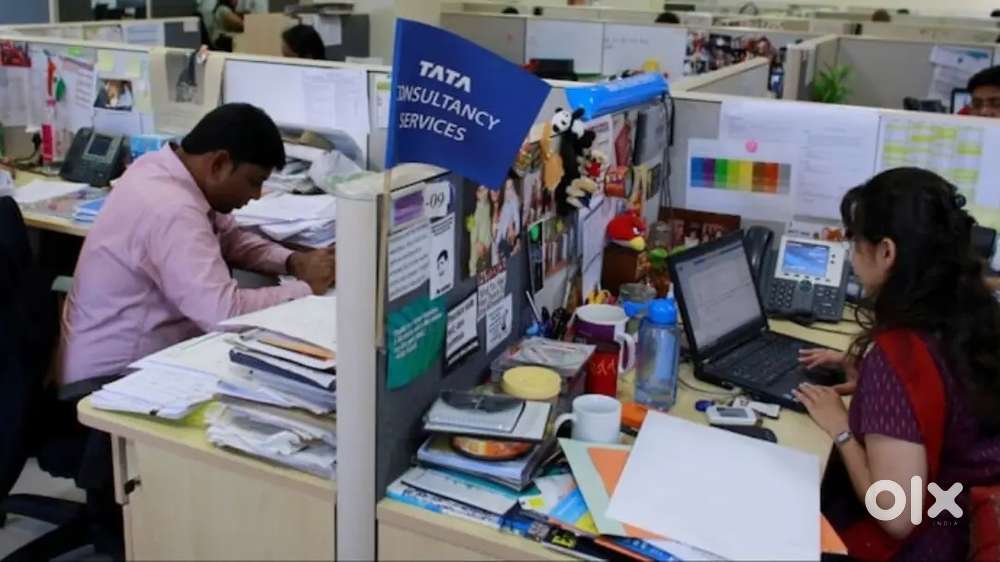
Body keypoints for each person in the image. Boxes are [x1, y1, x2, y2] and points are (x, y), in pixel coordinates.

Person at [58, 103, 335, 394]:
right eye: (253, 182)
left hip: (138, 358)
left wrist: (293, 261)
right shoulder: (172, 208)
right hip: (111, 381)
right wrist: (306, 288)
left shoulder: (160, 168)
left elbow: (230, 239)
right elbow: (223, 312)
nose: (255, 195)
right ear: (219, 164)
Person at [795, 168, 1000, 560]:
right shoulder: (972, 313)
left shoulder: (898, 357)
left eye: (856, 242)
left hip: (929, 542)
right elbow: (945, 394)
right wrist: (872, 384)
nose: (852, 255)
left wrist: (840, 426)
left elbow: (897, 515)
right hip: (963, 509)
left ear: (886, 252)